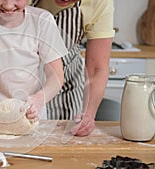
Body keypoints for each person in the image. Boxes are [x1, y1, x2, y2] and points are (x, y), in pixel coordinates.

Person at [29, 0, 115, 136]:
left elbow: (96, 67)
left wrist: (88, 115)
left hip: (67, 92)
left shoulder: (99, 2)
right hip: (25, 87)